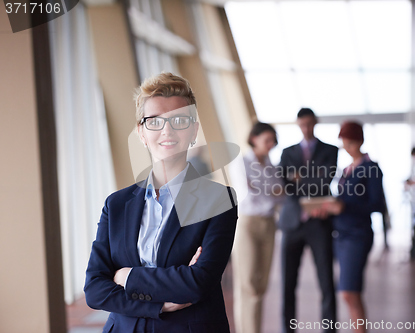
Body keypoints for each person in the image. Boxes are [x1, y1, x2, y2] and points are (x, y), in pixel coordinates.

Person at [84, 72, 238, 333]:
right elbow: (95, 289)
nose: (167, 130)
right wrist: (159, 305)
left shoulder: (219, 200)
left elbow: (197, 283)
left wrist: (125, 275)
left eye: (179, 120)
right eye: (154, 121)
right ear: (141, 133)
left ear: (193, 130)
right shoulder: (117, 204)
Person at [313, 121, 384, 333]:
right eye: (344, 142)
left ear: (360, 141)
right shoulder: (346, 170)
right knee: (349, 292)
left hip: (357, 235)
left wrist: (345, 206)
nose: (347, 146)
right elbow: (343, 201)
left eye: (351, 142)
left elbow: (377, 204)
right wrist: (329, 207)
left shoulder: (371, 168)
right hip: (341, 235)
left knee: (349, 292)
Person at [278, 108, 338, 333]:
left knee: (326, 281)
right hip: (292, 223)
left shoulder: (330, 150)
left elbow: (326, 178)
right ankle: (288, 329)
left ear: (316, 123)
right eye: (302, 124)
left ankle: (329, 330)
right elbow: (284, 184)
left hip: (319, 223)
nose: (306, 128)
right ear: (298, 124)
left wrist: (298, 176)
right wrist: (311, 176)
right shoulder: (287, 152)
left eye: (310, 124)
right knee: (288, 283)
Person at [231, 122, 283, 333]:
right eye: (267, 140)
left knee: (261, 286)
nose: (271, 145)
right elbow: (247, 194)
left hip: (269, 225)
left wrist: (265, 190)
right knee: (249, 284)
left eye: (273, 141)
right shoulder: (241, 163)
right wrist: (272, 192)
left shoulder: (270, 165)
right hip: (248, 224)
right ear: (254, 138)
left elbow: (283, 195)